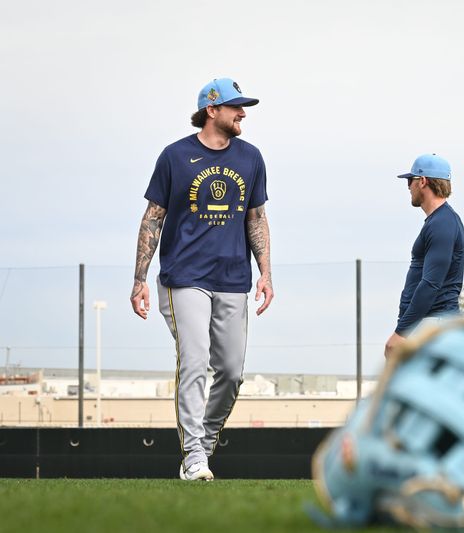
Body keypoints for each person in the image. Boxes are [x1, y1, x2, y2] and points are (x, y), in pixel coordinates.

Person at [130, 78, 274, 481]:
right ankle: (193, 455)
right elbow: (153, 218)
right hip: (184, 277)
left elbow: (256, 218)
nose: (243, 113)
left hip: (233, 279)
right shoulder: (175, 156)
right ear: (212, 110)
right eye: (235, 107)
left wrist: (265, 273)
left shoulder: (251, 158)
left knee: (230, 371)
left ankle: (204, 442)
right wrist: (139, 279)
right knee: (195, 362)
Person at [384, 153, 464, 358]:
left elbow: (431, 283)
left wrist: (401, 332)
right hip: (428, 323)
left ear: (422, 182)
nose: (408, 187)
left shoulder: (442, 223)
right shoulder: (438, 221)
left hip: (435, 323)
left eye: (410, 181)